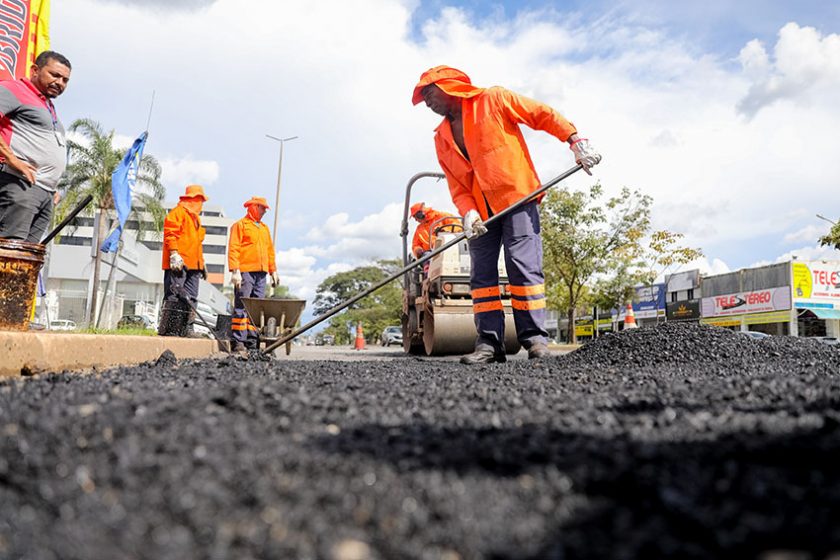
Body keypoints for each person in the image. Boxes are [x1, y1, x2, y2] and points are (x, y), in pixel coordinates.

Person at [413, 65, 601, 364]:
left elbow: (541, 114)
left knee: (522, 267)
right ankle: (489, 344)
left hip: (517, 198)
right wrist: (468, 211)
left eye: (429, 93)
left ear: (450, 87)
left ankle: (535, 340)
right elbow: (456, 183)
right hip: (480, 215)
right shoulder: (441, 137)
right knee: (481, 276)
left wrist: (574, 140)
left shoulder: (494, 99)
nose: (427, 102)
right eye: (423, 97)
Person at [0, 51, 71, 242]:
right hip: (18, 183)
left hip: (44, 193)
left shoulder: (47, 105)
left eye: (65, 80)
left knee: (29, 258)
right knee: (10, 252)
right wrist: (12, 159)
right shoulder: (14, 89)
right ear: (35, 70)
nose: (60, 83)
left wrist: (51, 185)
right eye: (54, 75)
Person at [228, 196, 280, 352]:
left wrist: (273, 271)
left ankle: (252, 342)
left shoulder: (264, 229)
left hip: (261, 274)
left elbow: (270, 252)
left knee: (257, 310)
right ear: (254, 207)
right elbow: (234, 248)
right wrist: (235, 271)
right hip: (245, 272)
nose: (264, 211)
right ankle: (238, 342)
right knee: (242, 306)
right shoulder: (240, 225)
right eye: (262, 208)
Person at [159, 184, 208, 337]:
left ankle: (187, 328)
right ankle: (170, 329)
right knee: (174, 294)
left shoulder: (195, 219)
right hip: (179, 263)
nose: (201, 204)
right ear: (193, 199)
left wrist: (202, 264)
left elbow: (197, 244)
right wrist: (174, 253)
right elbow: (170, 234)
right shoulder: (178, 213)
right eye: (200, 200)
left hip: (194, 265)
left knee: (191, 297)